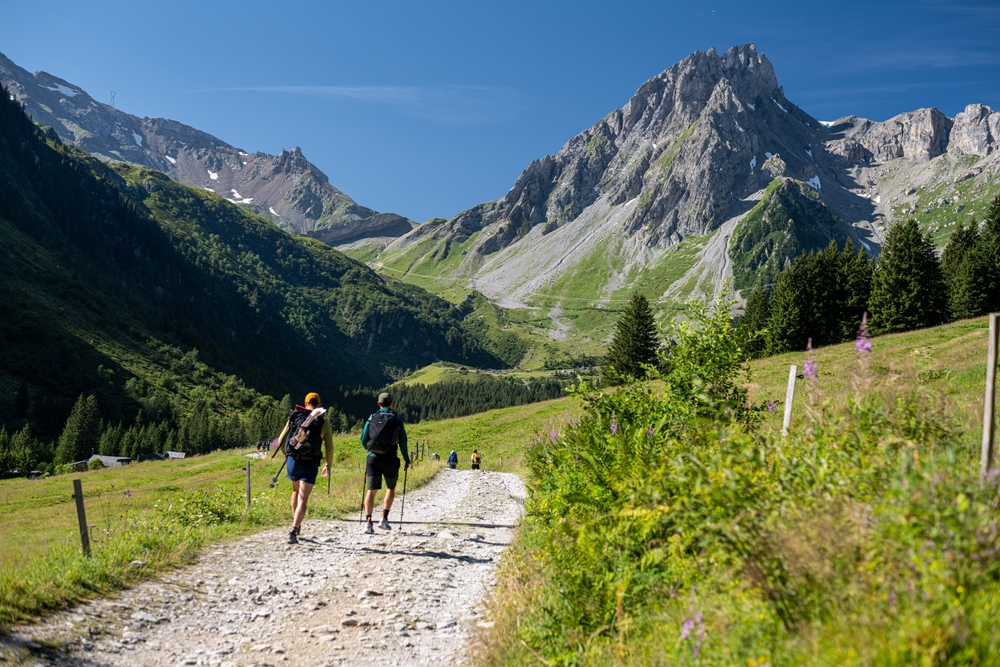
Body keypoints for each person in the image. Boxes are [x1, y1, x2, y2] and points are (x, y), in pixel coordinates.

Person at [275, 392, 334, 544]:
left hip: (293, 460)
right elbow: (329, 449)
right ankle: (294, 530)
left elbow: (281, 440)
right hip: (311, 462)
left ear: (305, 403)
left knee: (295, 491)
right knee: (303, 498)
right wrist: (328, 465)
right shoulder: (323, 424)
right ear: (319, 405)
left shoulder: (295, 417)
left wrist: (286, 454)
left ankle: (297, 524)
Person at [360, 392, 410, 535]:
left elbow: (364, 440)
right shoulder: (397, 420)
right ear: (391, 403)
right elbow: (403, 442)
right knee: (390, 488)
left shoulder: (371, 418)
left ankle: (368, 523)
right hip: (390, 459)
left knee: (371, 491)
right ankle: (384, 518)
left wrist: (371, 450)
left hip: (373, 459)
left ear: (379, 403)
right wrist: (407, 459)